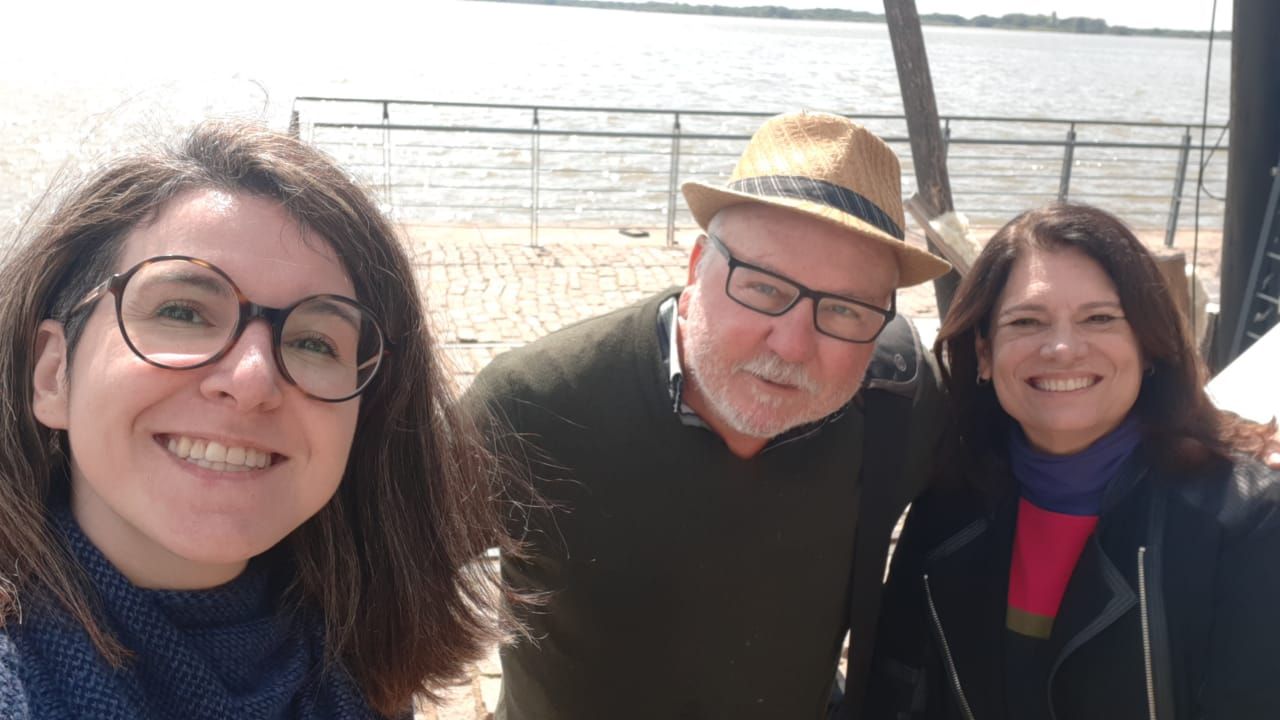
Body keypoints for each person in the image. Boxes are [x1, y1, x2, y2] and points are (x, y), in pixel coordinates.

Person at [0, 121, 522, 718]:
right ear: (54, 374)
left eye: (316, 343)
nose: (252, 380)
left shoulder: (363, 663)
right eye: (183, 310)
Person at [466, 111, 954, 719]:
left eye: (846, 311)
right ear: (698, 267)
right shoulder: (535, 405)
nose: (792, 346)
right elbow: (378, 579)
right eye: (764, 288)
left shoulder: (902, 408)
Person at [865, 203, 1280, 719]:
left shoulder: (1251, 522)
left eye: (1100, 318)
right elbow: (894, 692)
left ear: (1149, 347)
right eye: (1027, 321)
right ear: (986, 354)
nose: (1062, 348)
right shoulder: (947, 501)